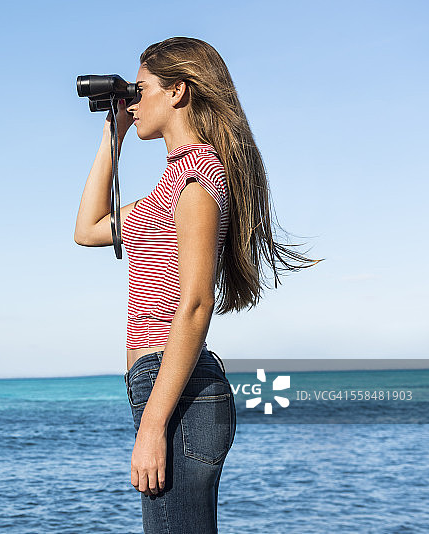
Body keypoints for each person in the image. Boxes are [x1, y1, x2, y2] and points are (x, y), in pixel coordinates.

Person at [73, 37, 322, 533]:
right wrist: (113, 135)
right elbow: (87, 229)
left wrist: (151, 427)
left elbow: (195, 305)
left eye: (141, 90)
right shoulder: (170, 185)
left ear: (179, 92)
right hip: (165, 387)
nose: (134, 101)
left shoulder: (197, 180)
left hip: (177, 391)